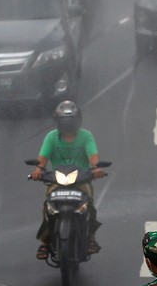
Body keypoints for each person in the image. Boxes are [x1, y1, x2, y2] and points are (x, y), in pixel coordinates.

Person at [28, 101, 106, 257]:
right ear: (58, 122)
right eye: (65, 122)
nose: (68, 125)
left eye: (71, 121)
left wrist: (97, 168)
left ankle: (91, 238)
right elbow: (42, 160)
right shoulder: (51, 138)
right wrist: (37, 171)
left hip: (81, 181)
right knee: (48, 207)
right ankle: (45, 241)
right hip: (57, 181)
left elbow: (93, 156)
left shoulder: (86, 136)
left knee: (89, 205)